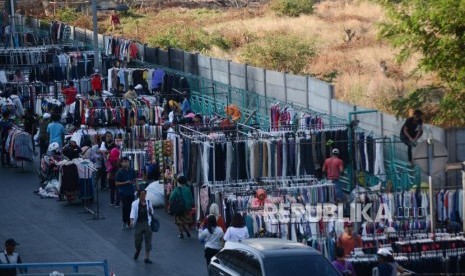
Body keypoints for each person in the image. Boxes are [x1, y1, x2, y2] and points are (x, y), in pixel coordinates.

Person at [130, 189, 154, 264]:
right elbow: (133, 212)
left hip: (147, 223)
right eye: (142, 194)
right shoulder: (134, 203)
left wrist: (150, 211)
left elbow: (152, 212)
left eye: (145, 194)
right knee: (137, 240)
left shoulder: (148, 202)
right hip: (139, 224)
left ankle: (147, 257)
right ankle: (138, 249)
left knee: (148, 240)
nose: (144, 196)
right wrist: (131, 220)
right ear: (139, 195)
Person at [115, 156, 138, 229]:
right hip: (123, 192)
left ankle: (130, 222)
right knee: (125, 208)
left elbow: (136, 179)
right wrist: (125, 182)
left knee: (132, 207)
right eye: (124, 162)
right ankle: (125, 222)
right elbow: (116, 183)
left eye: (127, 162)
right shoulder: (119, 172)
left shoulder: (132, 170)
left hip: (131, 191)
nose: (126, 163)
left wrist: (137, 188)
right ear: (121, 163)